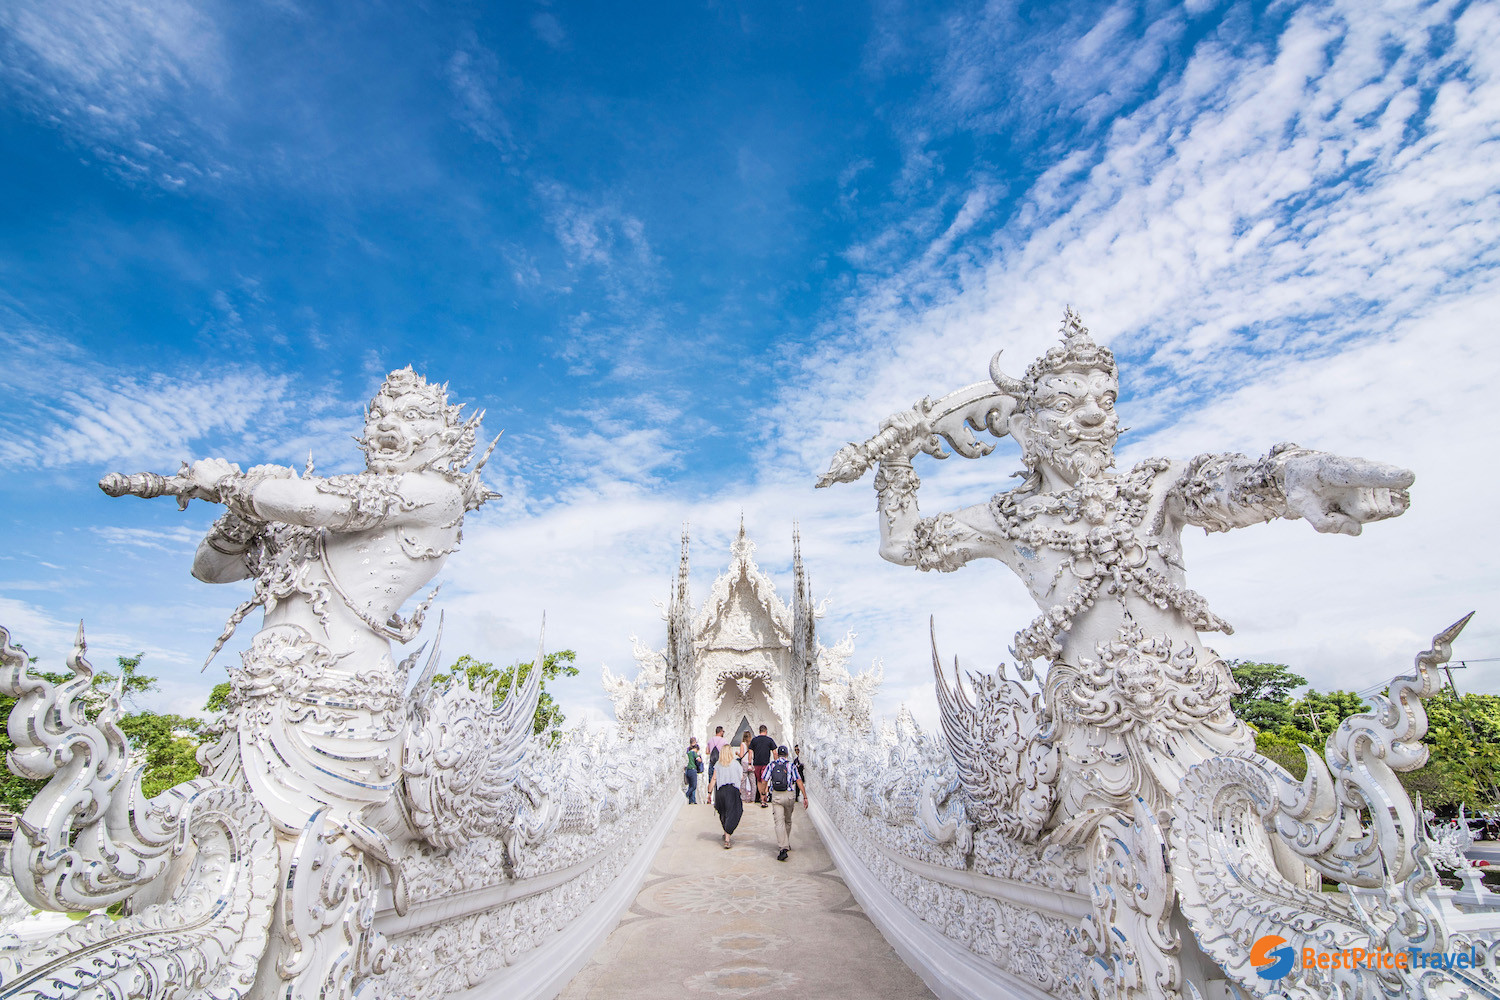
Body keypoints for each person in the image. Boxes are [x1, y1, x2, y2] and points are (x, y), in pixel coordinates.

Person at [766, 746, 806, 861]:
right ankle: (785, 843)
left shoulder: (772, 765)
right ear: (787, 754)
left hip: (777, 795)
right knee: (787, 820)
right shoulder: (791, 765)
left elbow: (764, 779)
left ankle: (783, 847)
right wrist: (805, 796)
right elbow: (798, 780)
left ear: (778, 754)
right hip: (789, 795)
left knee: (779, 822)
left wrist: (763, 794)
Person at [714, 749, 745, 849]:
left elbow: (714, 778)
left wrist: (709, 792)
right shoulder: (736, 764)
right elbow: (741, 777)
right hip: (732, 790)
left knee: (723, 812)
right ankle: (727, 838)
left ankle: (725, 832)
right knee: (734, 812)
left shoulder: (718, 764)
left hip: (720, 791)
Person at [749, 724, 777, 807]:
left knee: (759, 781)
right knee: (765, 780)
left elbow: (750, 752)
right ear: (766, 731)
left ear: (759, 731)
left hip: (757, 763)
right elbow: (775, 752)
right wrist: (776, 763)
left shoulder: (754, 740)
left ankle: (762, 798)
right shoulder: (769, 740)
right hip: (766, 764)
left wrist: (750, 763)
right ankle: (764, 798)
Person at [705, 726, 728, 803]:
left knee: (711, 779)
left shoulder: (710, 740)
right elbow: (726, 752)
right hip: (720, 762)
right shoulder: (724, 741)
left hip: (712, 762)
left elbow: (707, 751)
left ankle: (709, 795)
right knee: (720, 780)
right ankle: (719, 798)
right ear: (721, 732)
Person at [736, 731, 755, 803]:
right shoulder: (752, 744)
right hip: (751, 763)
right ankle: (753, 798)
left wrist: (737, 753)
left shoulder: (742, 744)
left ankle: (743, 798)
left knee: (743, 781)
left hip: (744, 762)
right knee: (752, 781)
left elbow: (741, 755)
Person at [684, 738, 702, 804]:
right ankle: (687, 795)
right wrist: (699, 757)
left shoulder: (688, 752)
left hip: (687, 770)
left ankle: (691, 800)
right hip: (693, 770)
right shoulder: (694, 753)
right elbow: (699, 760)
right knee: (694, 786)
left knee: (690, 785)